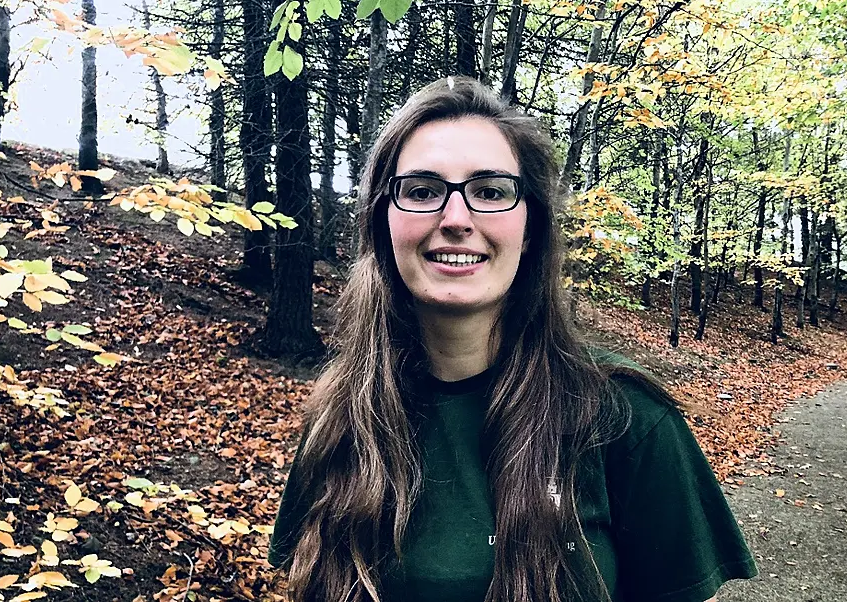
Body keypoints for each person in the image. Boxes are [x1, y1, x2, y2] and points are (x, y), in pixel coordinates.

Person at [268, 76, 756, 602]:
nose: (455, 218)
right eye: (423, 190)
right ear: (384, 221)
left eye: (491, 191)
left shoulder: (624, 418)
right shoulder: (342, 414)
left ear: (530, 230)